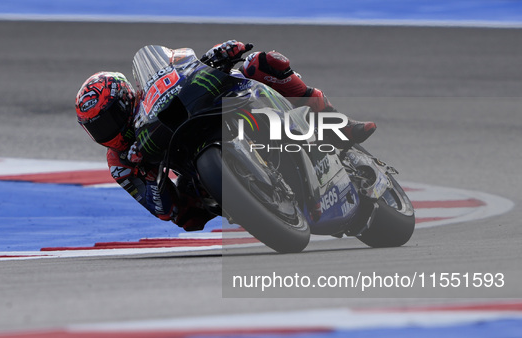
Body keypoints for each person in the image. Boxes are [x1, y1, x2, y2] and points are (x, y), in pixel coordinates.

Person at [75, 40, 376, 231]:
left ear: (127, 99)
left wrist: (216, 56)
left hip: (211, 109)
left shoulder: (150, 95)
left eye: (110, 119)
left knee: (263, 63)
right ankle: (252, 194)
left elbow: (185, 68)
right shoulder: (119, 161)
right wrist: (147, 173)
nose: (108, 131)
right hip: (192, 173)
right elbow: (163, 210)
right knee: (186, 217)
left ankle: (337, 122)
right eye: (97, 128)